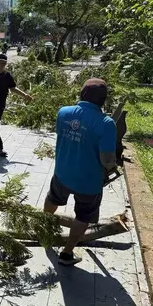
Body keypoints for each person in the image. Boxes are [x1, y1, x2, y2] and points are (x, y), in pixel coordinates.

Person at [43, 78, 117, 266]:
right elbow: (107, 159)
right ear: (103, 100)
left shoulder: (64, 112)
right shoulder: (106, 123)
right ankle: (67, 253)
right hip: (88, 182)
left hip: (62, 172)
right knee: (83, 215)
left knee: (53, 199)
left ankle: (43, 228)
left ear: (82, 93)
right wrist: (113, 166)